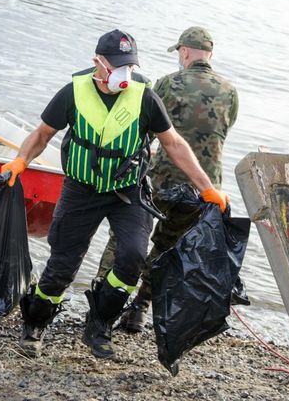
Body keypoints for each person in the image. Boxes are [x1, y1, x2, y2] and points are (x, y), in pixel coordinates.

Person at [0, 29, 230, 360]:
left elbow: (174, 143)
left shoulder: (145, 98)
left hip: (128, 192)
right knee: (62, 266)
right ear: (98, 62)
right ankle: (35, 324)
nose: (125, 72)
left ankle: (100, 323)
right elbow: (42, 134)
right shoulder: (73, 93)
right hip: (81, 191)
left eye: (130, 66)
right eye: (118, 65)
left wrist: (208, 188)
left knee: (133, 257)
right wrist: (21, 160)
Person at [96, 26, 239, 332]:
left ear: (184, 52)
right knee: (168, 246)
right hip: (205, 187)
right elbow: (224, 132)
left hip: (163, 177)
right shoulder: (229, 91)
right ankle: (138, 309)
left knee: (124, 238)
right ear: (209, 55)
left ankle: (102, 307)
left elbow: (145, 126)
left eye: (179, 52)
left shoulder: (167, 84)